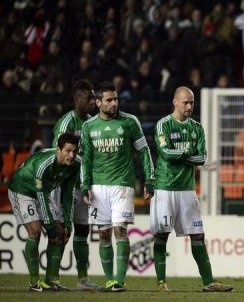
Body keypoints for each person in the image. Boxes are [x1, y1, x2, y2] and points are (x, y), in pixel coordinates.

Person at [150, 86, 233, 292]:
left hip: (188, 189)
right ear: (175, 102)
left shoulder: (197, 127)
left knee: (198, 235)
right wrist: (187, 153)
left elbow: (202, 158)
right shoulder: (163, 125)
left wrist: (182, 153)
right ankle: (161, 282)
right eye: (185, 102)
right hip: (165, 187)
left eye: (192, 102)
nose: (189, 106)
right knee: (162, 235)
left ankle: (208, 282)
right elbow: (165, 152)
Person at [80, 81, 155, 292]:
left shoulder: (130, 122)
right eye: (109, 100)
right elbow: (85, 159)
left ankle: (119, 281)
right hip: (98, 187)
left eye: (116, 99)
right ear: (97, 102)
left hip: (122, 185)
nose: (114, 103)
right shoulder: (89, 126)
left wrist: (149, 180)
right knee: (104, 234)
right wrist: (85, 185)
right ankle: (109, 280)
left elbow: (145, 151)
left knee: (120, 230)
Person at [8, 133, 81, 292]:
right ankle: (34, 283)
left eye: (74, 151)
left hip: (43, 192)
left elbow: (68, 194)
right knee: (35, 231)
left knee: (61, 232)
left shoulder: (75, 165)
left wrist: (67, 223)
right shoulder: (44, 165)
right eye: (68, 151)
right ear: (59, 149)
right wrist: (50, 227)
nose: (72, 155)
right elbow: (41, 197)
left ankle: (51, 281)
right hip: (23, 190)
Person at [51, 79, 100, 291]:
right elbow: (58, 156)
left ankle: (82, 279)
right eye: (89, 98)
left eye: (94, 98)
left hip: (83, 185)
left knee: (82, 230)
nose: (93, 101)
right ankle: (51, 279)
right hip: (65, 186)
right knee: (61, 232)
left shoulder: (92, 122)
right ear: (77, 100)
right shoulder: (66, 123)